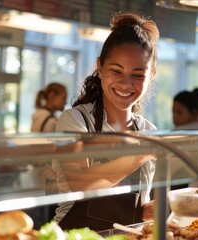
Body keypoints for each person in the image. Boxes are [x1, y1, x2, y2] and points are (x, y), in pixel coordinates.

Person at [52, 12, 159, 231]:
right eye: (116, 71)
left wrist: (156, 209)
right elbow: (80, 183)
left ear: (151, 75)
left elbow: (137, 207)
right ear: (100, 67)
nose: (125, 83)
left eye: (138, 75)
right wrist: (139, 154)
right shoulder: (75, 121)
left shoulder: (149, 130)